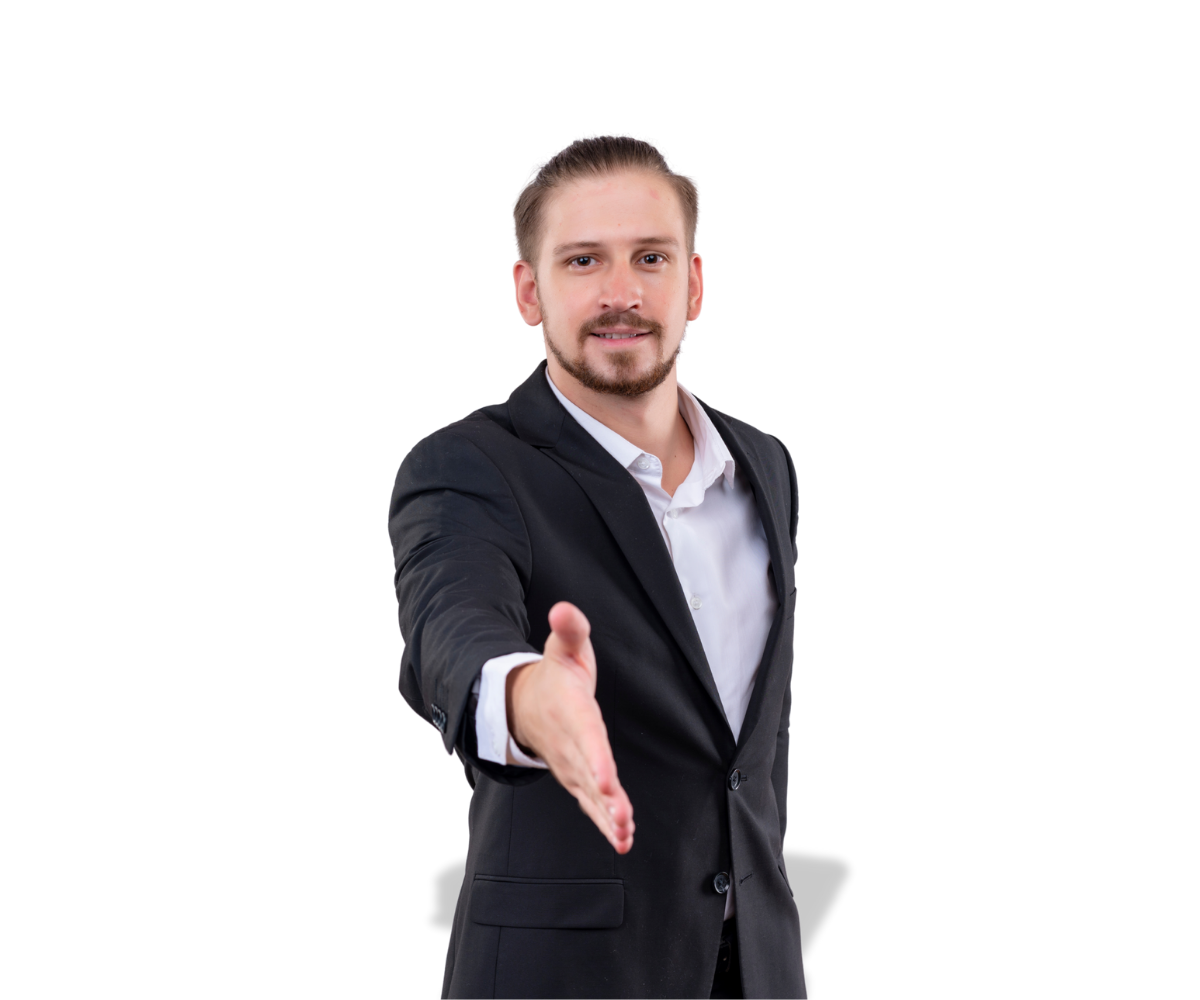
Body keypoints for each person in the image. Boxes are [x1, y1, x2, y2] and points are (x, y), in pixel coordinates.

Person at [390, 134, 805, 999]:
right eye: (583, 261)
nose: (623, 294)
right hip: (563, 975)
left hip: (761, 968)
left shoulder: (764, 464)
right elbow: (450, 624)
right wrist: (527, 696)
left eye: (651, 257)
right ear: (529, 292)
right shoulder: (466, 464)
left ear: (694, 284)